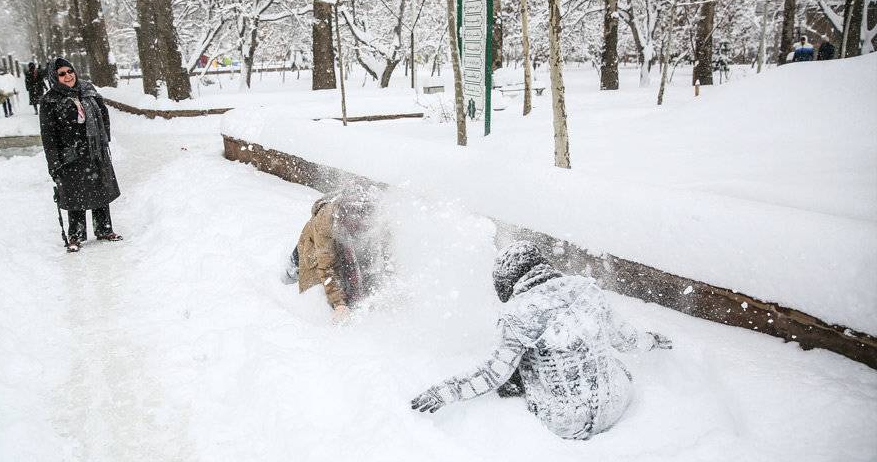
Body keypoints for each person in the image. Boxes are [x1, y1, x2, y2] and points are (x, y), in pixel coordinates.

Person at [411, 241, 672, 440]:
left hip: (565, 421)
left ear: (507, 282)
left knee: (517, 367)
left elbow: (493, 374)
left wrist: (443, 393)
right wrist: (652, 340)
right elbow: (626, 340)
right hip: (618, 402)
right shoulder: (588, 290)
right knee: (593, 345)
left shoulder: (517, 314)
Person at [39, 57, 122, 252]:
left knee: (100, 189)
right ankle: (75, 235)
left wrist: (102, 140)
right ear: (54, 77)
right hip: (70, 154)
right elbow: (48, 135)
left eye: (70, 71)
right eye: (62, 74)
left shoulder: (88, 90)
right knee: (74, 194)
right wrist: (54, 162)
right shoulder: (50, 101)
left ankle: (104, 229)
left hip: (94, 151)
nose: (68, 76)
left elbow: (103, 114)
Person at [282, 183, 388, 322]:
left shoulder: (379, 220)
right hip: (316, 243)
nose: (357, 223)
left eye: (362, 220)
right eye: (353, 220)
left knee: (364, 276)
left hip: (343, 246)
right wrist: (339, 304)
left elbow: (387, 256)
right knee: (314, 277)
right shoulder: (327, 220)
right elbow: (327, 267)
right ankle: (292, 270)